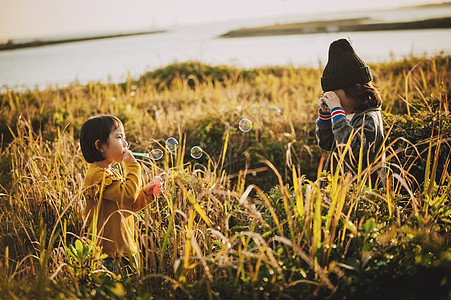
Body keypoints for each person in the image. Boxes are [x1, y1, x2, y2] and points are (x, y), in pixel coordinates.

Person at [80, 115, 161, 275]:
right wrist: (132, 166)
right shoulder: (97, 176)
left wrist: (146, 193)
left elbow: (129, 206)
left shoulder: (110, 174)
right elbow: (129, 195)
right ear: (100, 146)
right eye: (119, 137)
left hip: (125, 250)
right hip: (108, 256)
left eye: (124, 137)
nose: (125, 144)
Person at [316, 38, 386, 187]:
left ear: (354, 89)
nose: (330, 97)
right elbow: (327, 143)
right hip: (340, 192)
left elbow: (353, 152)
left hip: (364, 196)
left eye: (333, 92)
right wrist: (326, 116)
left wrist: (337, 111)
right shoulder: (346, 114)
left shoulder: (369, 118)